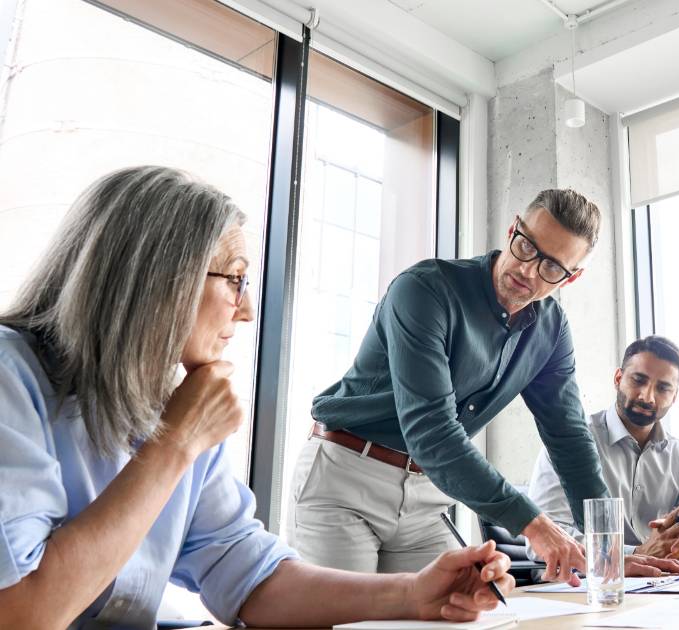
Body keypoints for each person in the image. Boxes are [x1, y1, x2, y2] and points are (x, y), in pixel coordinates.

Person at [0, 166, 514, 628]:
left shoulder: (175, 405)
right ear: (157, 279)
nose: (247, 311)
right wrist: (175, 444)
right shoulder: (11, 378)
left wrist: (413, 593)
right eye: (235, 279)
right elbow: (22, 612)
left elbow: (246, 572)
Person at [289, 188, 679, 583]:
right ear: (513, 229)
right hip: (347, 478)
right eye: (526, 246)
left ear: (571, 278)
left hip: (425, 499)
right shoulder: (425, 290)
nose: (528, 271)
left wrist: (608, 551)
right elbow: (432, 432)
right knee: (347, 615)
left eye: (552, 267)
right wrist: (534, 524)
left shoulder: (551, 329)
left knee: (462, 613)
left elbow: (569, 438)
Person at [527, 336, 679, 561]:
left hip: (663, 579)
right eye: (638, 380)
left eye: (663, 388)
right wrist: (635, 554)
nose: (647, 397)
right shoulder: (568, 441)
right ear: (618, 378)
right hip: (588, 579)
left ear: (674, 397)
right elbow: (545, 538)